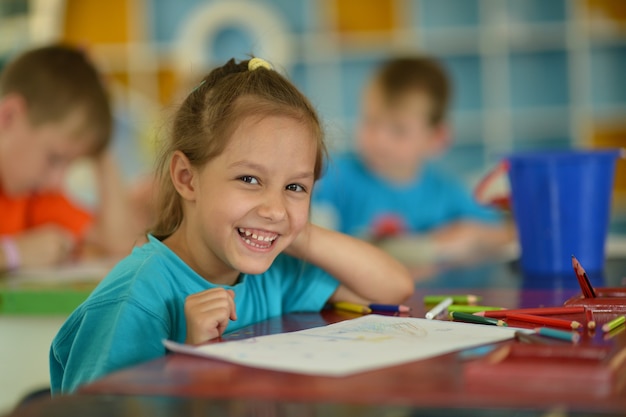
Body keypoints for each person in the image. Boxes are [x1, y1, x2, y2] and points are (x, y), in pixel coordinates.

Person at [50, 57, 413, 394]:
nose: (274, 208)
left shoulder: (275, 273)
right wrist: (191, 359)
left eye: (295, 187)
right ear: (187, 178)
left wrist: (296, 231)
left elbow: (392, 288)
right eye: (249, 179)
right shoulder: (134, 301)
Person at [312, 56, 515, 268]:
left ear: (436, 138)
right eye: (371, 121)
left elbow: (508, 233)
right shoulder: (339, 173)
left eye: (399, 130)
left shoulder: (445, 191)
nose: (380, 139)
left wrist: (470, 235)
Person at [0, 44, 139, 271]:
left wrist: (101, 147)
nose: (57, 180)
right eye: (54, 158)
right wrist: (13, 253)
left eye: (70, 164)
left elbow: (120, 245)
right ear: (8, 116)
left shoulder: (33, 195)